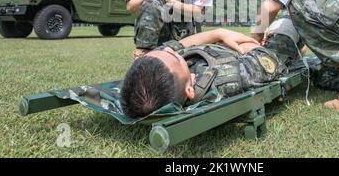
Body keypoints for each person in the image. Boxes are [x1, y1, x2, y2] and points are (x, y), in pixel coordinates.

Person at [121, 18, 310, 118]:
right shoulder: (228, 78)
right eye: (175, 57)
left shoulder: (162, 71)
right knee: (286, 23)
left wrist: (218, 33)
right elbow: (266, 59)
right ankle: (298, 48)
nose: (171, 51)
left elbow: (176, 47)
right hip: (267, 53)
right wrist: (246, 46)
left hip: (227, 50)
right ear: (189, 90)